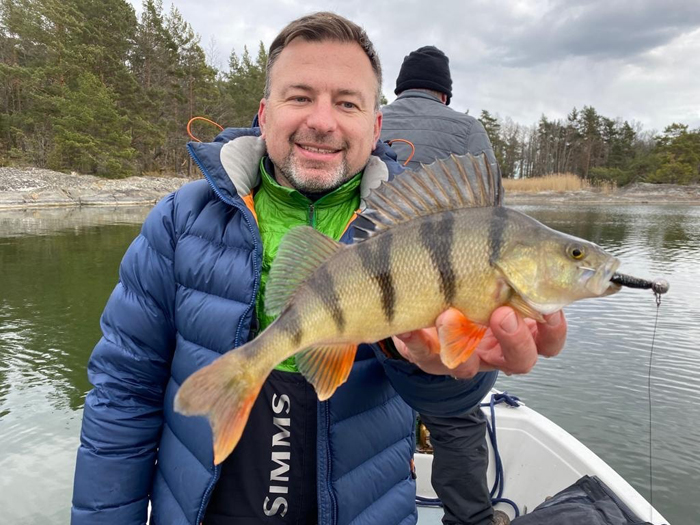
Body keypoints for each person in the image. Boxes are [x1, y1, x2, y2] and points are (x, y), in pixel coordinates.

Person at [71, 12, 567, 525]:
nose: (323, 121)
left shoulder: (419, 229)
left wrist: (444, 372)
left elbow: (447, 394)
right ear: (265, 113)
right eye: (300, 97)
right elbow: (121, 395)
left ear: (376, 125)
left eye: (347, 103)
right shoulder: (180, 222)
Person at [381, 46, 503, 525]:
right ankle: (469, 517)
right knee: (457, 419)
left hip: (371, 290)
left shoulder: (371, 119)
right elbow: (492, 225)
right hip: (438, 301)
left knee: (367, 407)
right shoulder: (468, 129)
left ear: (399, 88)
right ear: (445, 93)